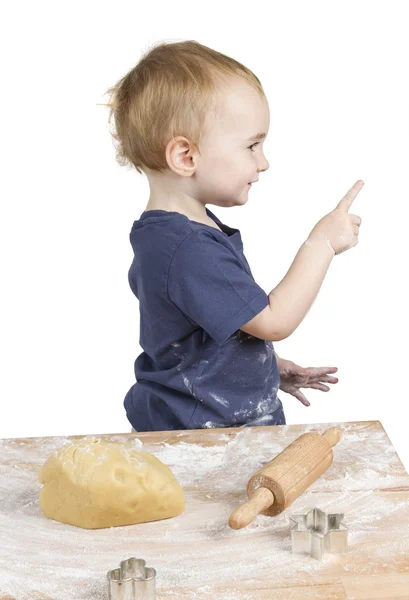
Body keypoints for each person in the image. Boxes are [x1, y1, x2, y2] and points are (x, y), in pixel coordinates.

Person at [103, 40, 364, 433]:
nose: (263, 162)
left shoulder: (171, 237)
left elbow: (191, 341)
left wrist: (264, 369)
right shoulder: (188, 249)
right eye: (252, 146)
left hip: (201, 428)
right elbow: (273, 321)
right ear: (186, 157)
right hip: (204, 441)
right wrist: (322, 244)